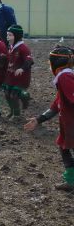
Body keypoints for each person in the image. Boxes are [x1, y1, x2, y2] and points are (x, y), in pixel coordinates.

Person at [24, 46, 74, 191]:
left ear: (56, 62)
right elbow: (57, 104)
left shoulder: (65, 77)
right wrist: (39, 119)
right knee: (64, 147)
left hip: (71, 123)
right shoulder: (65, 76)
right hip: (67, 123)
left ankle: (71, 181)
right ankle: (70, 180)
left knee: (65, 148)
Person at [3, 24, 33, 121]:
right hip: (11, 76)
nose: (8, 37)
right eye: (7, 35)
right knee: (7, 94)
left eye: (10, 35)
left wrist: (22, 69)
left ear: (17, 36)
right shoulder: (10, 46)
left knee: (14, 95)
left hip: (21, 78)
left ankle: (17, 115)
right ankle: (12, 110)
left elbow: (29, 61)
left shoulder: (23, 48)